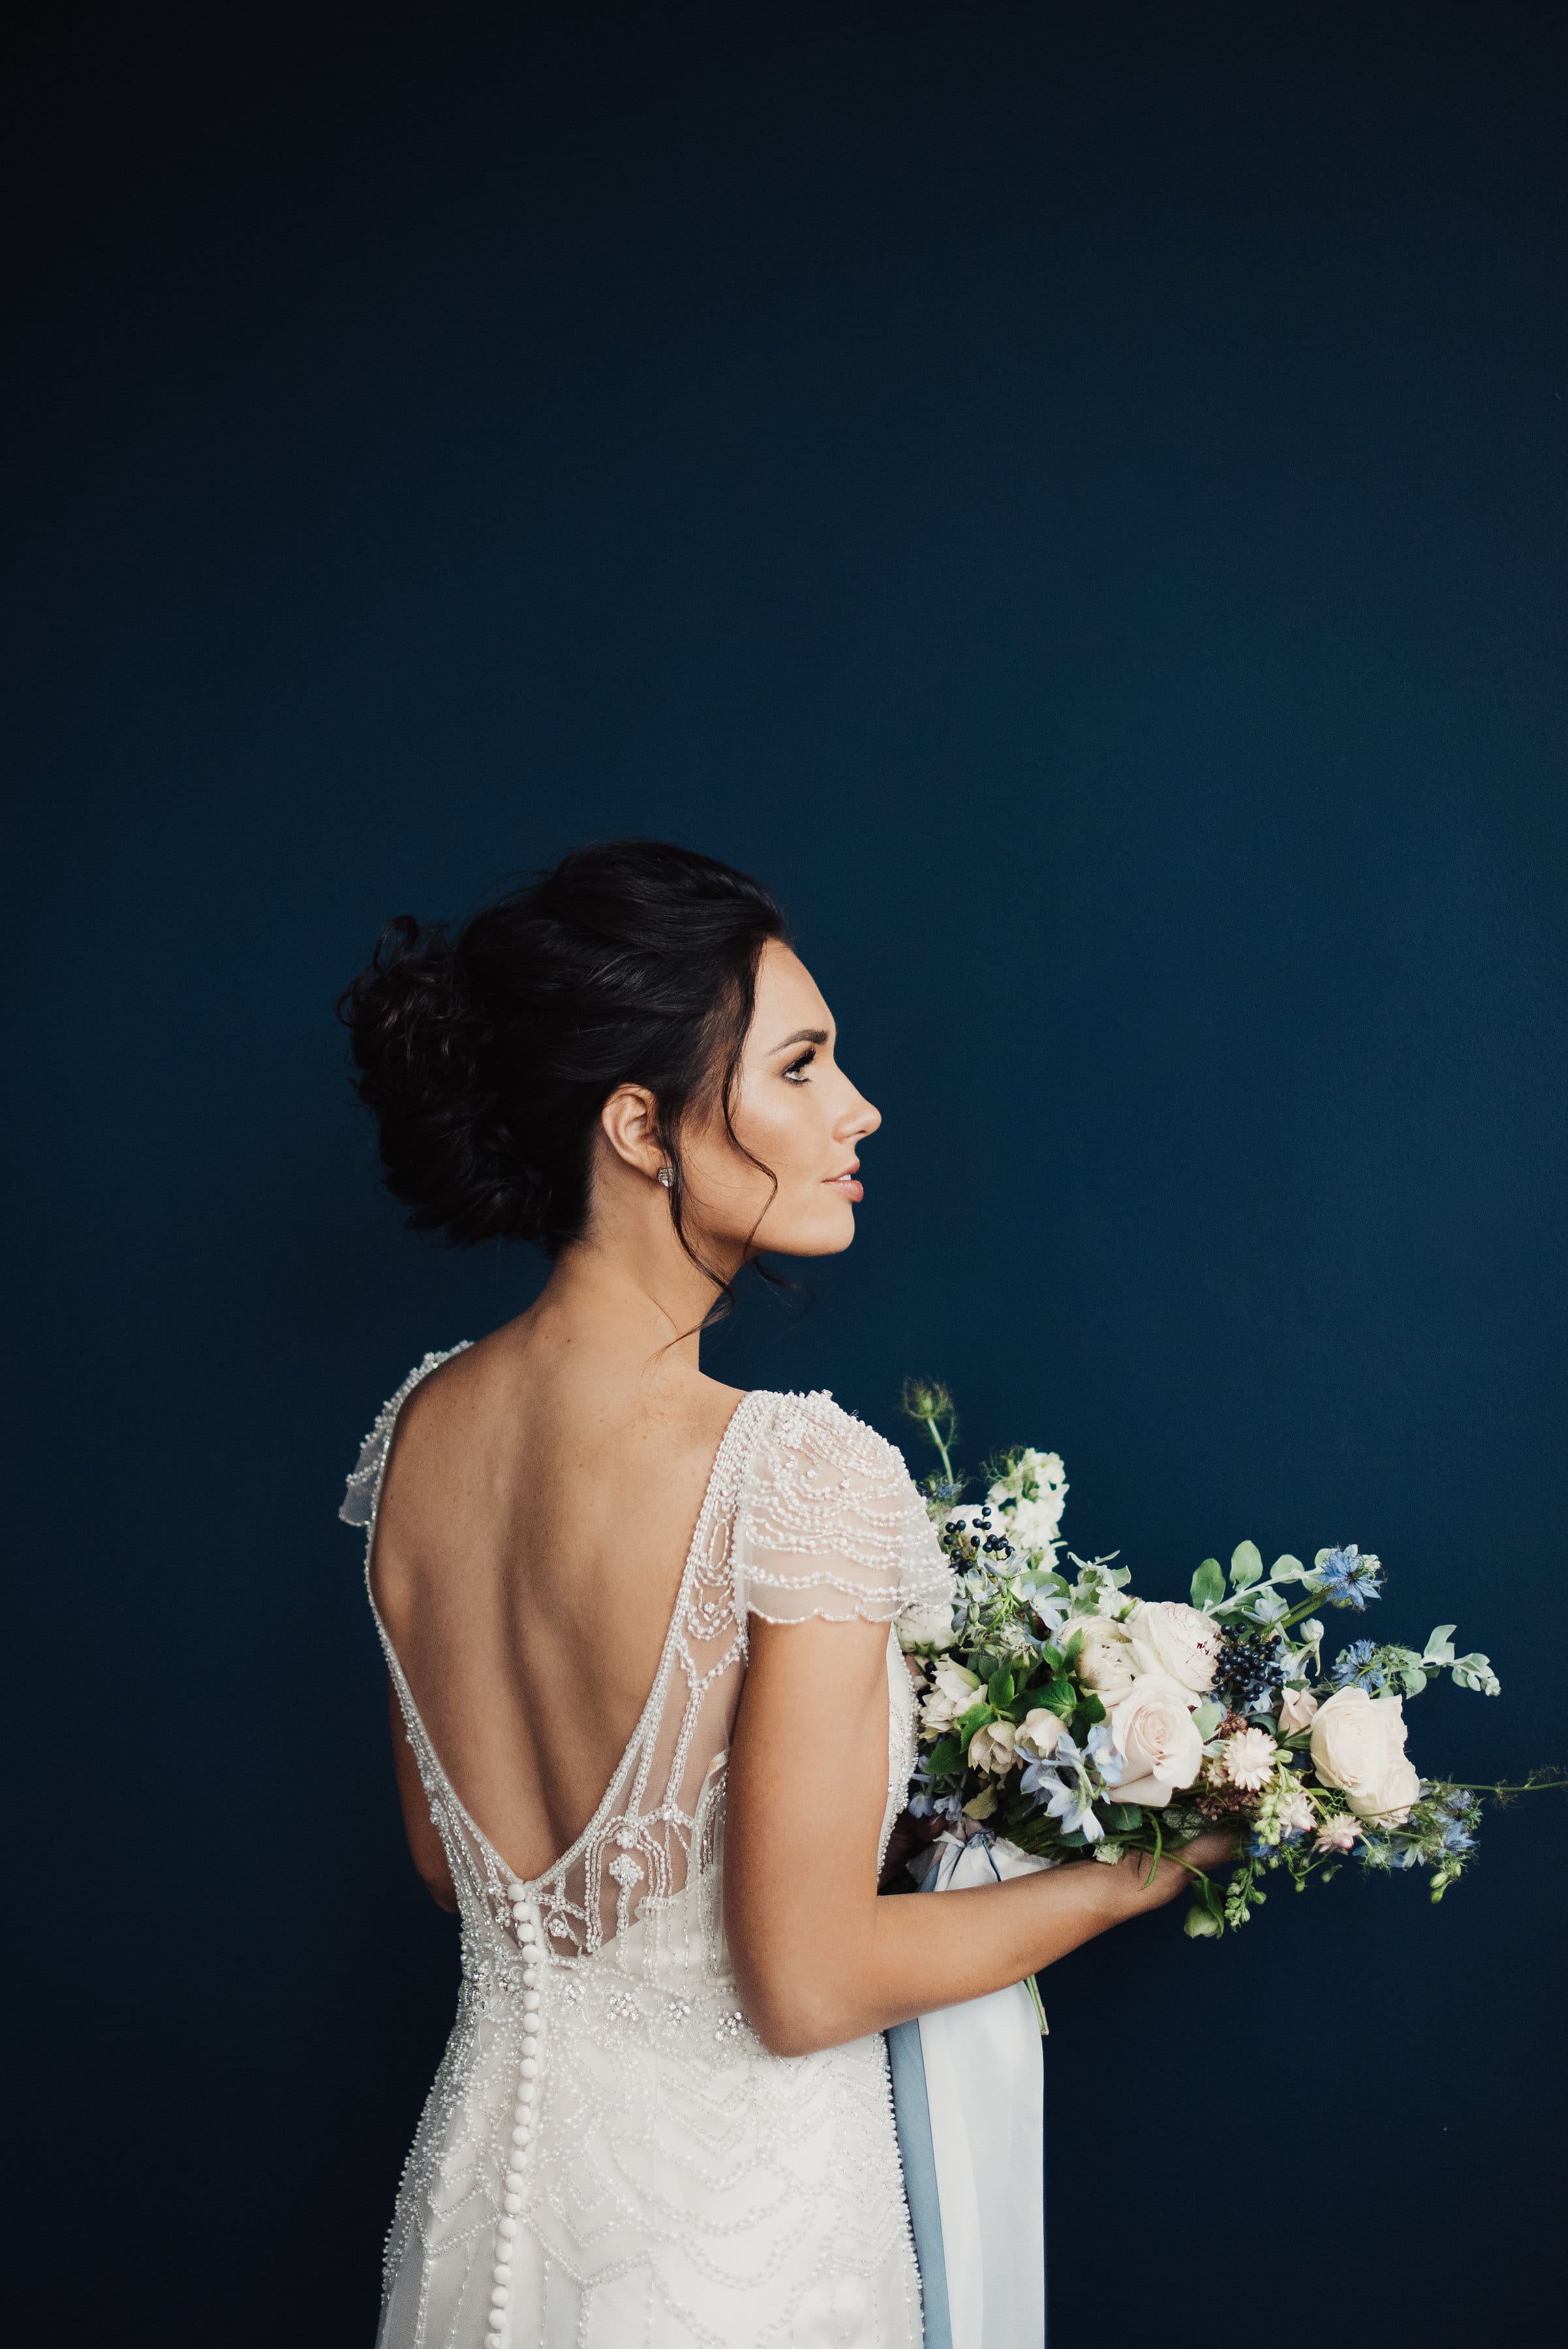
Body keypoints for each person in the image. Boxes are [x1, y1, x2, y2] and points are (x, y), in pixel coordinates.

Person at [338, 840, 1229, 2349]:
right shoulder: (797, 1471)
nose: (856, 1108)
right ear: (640, 1126)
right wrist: (1139, 1872)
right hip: (729, 2252)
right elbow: (805, 1985)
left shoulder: (415, 1434)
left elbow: (449, 1863)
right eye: (801, 1067)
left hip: (474, 2211)